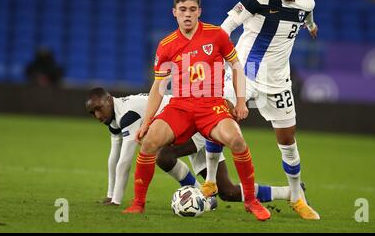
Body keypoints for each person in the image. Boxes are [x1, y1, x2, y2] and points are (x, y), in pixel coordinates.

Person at [123, 0, 271, 221]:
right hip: (180, 107)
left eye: (192, 9)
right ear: (175, 12)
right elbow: (158, 88)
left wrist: (241, 101)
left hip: (211, 106)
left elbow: (236, 67)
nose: (188, 14)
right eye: (183, 10)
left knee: (237, 140)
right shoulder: (166, 45)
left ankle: (251, 201)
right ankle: (138, 203)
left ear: (199, 11)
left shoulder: (217, 35)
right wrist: (147, 122)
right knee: (149, 142)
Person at [206, 0, 320, 220]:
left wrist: (312, 27)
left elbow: (308, 17)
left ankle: (296, 197)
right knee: (218, 121)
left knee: (287, 141)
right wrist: (217, 57)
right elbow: (227, 26)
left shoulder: (307, 2)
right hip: (245, 71)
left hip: (279, 81)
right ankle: (210, 184)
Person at [85, 88, 305, 206]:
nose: (97, 115)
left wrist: (116, 200)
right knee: (227, 191)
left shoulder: (128, 114)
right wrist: (109, 193)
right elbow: (114, 157)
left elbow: (125, 160)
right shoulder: (114, 118)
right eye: (92, 112)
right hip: (182, 132)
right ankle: (288, 192)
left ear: (109, 100)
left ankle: (197, 196)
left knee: (163, 156)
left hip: (193, 121)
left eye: (98, 108)